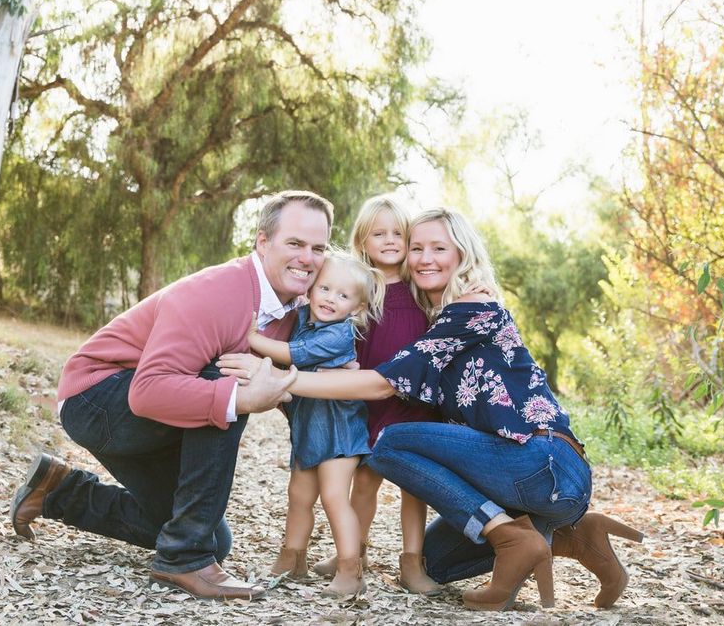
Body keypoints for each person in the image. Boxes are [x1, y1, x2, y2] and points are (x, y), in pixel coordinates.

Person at [219, 207, 643, 611]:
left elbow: (385, 383)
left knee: (389, 444)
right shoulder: (435, 314)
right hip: (527, 487)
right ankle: (569, 534)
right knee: (436, 565)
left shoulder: (473, 307)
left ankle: (510, 534)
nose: (423, 258)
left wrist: (283, 378)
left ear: (463, 252)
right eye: (416, 248)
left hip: (543, 458)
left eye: (438, 248)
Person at [9, 191, 333, 601]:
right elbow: (147, 393)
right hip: (98, 399)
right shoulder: (219, 293)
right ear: (262, 242)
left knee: (209, 538)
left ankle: (58, 492)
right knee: (230, 379)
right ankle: (184, 561)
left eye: (318, 248)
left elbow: (297, 393)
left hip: (161, 413)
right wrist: (243, 398)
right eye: (295, 243)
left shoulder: (295, 311)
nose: (307, 257)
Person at [311, 196, 443, 596]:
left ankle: (412, 563)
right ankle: (355, 551)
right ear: (362, 240)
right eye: (378, 233)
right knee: (365, 482)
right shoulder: (358, 286)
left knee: (413, 486)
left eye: (397, 233)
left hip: (413, 400)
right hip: (367, 397)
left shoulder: (419, 286)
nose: (389, 240)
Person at [250, 250, 384, 597]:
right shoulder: (301, 318)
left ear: (356, 308)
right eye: (325, 288)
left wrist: (251, 338)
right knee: (298, 495)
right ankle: (292, 558)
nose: (330, 299)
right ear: (310, 289)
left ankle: (350, 568)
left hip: (340, 429)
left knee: (335, 497)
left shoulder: (339, 334)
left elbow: (294, 354)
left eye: (343, 295)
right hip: (311, 427)